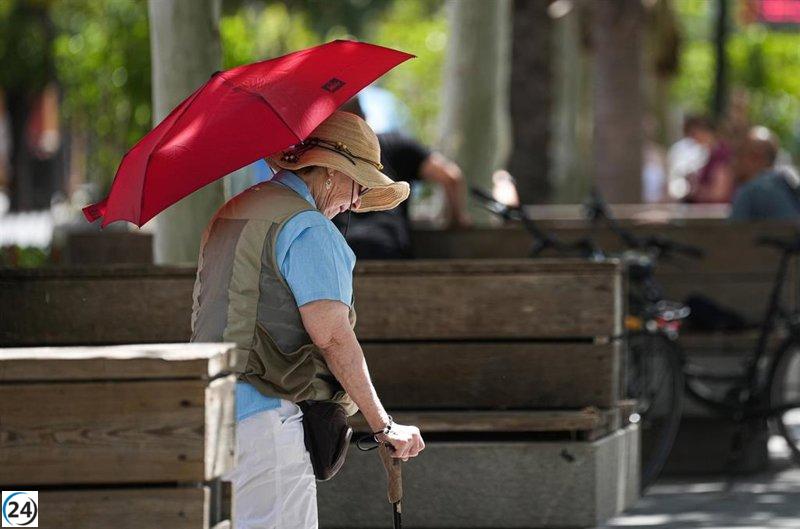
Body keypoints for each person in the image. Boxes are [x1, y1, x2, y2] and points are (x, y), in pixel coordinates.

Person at [190, 111, 425, 528]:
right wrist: (383, 424)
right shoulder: (308, 227)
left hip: (207, 407)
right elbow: (334, 337)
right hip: (265, 421)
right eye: (357, 184)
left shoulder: (233, 211)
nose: (355, 202)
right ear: (332, 172)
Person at [333, 98, 470, 259]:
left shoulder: (325, 157)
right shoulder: (395, 144)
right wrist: (456, 219)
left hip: (341, 249)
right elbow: (451, 177)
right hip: (388, 247)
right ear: (364, 119)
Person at [730, 126, 800, 220]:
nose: (734, 162)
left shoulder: (750, 191)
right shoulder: (789, 182)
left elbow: (733, 231)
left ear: (755, 157)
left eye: (739, 154)